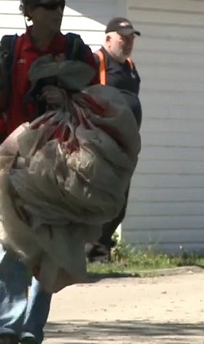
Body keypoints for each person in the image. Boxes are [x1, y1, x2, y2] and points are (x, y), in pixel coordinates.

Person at [0, 0, 98, 344]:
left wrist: (68, 101)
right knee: (9, 245)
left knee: (50, 247)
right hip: (13, 163)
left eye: (61, 5)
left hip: (61, 166)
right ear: (29, 12)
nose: (58, 12)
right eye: (49, 6)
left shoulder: (77, 50)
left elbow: (98, 106)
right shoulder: (11, 50)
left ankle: (31, 330)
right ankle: (8, 329)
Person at [85, 17, 142, 262]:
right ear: (108, 38)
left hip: (125, 145)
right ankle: (91, 252)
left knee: (119, 203)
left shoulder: (130, 66)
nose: (128, 42)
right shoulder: (96, 62)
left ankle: (100, 250)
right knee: (98, 198)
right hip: (102, 143)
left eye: (131, 38)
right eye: (123, 37)